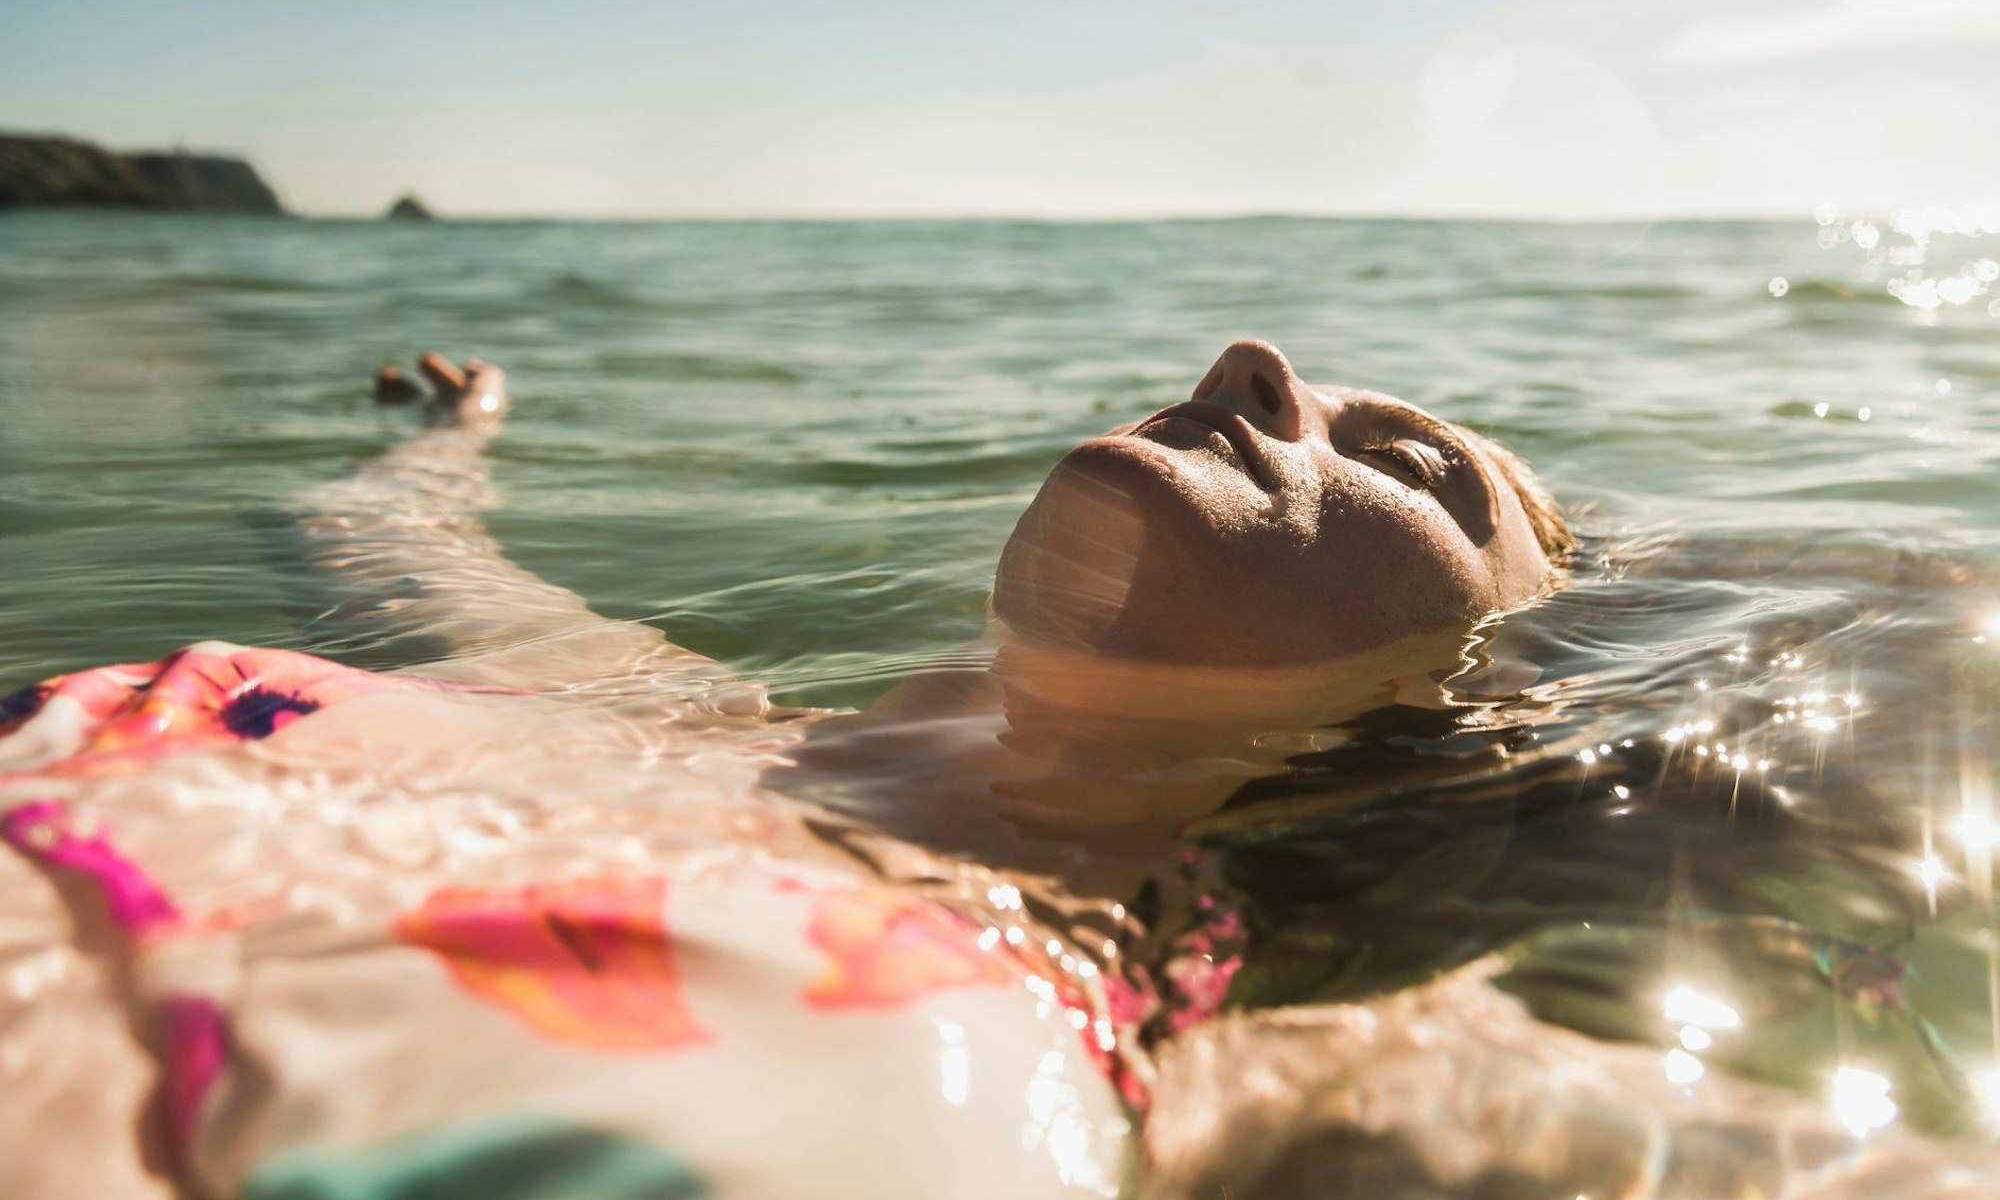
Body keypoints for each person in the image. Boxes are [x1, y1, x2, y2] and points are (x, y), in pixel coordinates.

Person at [0, 340, 1575, 1200]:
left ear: (1476, 694)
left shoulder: (1312, 1057)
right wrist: (457, 437)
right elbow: (386, 546)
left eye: (1413, 469)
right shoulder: (647, 710)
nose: (1253, 366)